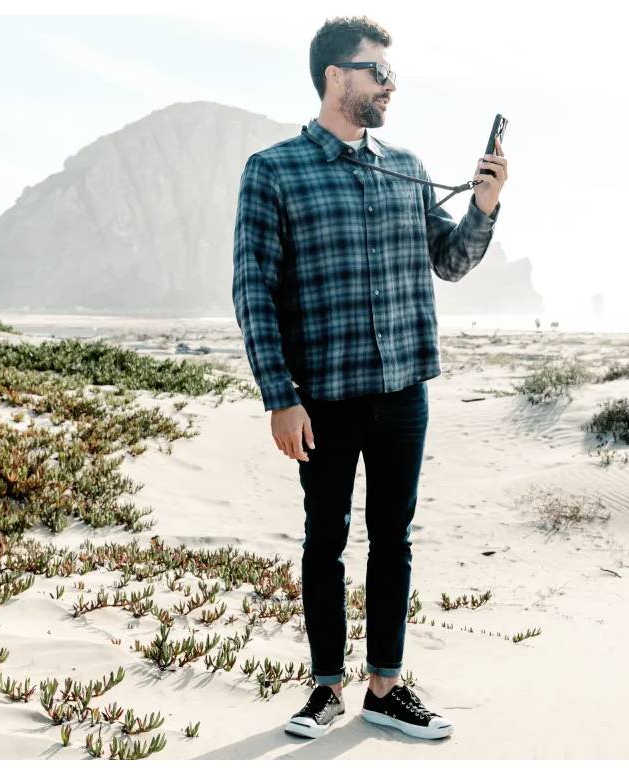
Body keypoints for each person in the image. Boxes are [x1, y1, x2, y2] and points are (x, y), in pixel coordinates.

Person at [231, 15, 508, 741]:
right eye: (377, 71)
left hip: (404, 389)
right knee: (324, 541)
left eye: (391, 73)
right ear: (335, 76)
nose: (390, 85)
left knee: (394, 539)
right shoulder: (273, 170)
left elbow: (450, 262)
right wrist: (280, 398)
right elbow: (254, 291)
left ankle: (385, 688)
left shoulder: (408, 167)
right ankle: (325, 689)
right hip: (321, 396)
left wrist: (482, 206)